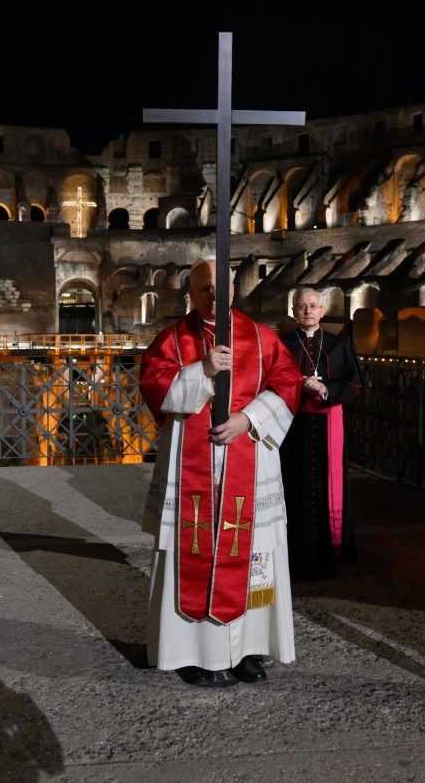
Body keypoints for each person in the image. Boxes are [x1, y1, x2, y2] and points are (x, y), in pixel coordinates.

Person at [138, 256, 302, 688]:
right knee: (193, 551)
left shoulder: (263, 339)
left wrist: (248, 420)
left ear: (234, 289)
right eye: (204, 288)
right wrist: (203, 370)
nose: (213, 296)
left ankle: (247, 649)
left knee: (253, 556)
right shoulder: (172, 340)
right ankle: (191, 653)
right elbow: (155, 386)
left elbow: (287, 384)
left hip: (247, 456)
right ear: (191, 293)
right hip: (194, 466)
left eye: (220, 287)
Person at [278, 287, 363, 580]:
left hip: (329, 423)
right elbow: (270, 381)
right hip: (294, 426)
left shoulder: (338, 344)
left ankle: (333, 550)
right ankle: (295, 551)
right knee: (295, 484)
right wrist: (299, 385)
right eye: (301, 306)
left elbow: (355, 384)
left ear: (322, 310)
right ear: (293, 311)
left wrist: (327, 389)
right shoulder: (283, 344)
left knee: (329, 485)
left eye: (313, 305)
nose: (308, 311)